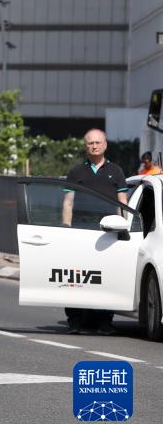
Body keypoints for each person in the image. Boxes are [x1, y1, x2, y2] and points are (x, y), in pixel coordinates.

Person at [62, 128, 128, 335]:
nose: (94, 146)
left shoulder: (116, 171)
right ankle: (74, 321)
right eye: (90, 143)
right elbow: (68, 202)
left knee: (106, 277)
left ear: (105, 145)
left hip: (108, 232)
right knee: (75, 278)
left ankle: (105, 322)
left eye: (98, 142)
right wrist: (66, 229)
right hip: (80, 232)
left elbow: (122, 203)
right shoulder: (75, 172)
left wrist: (123, 228)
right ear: (86, 146)